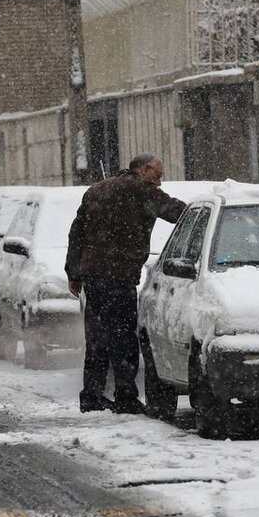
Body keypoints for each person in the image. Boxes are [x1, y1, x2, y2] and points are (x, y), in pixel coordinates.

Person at [65, 153, 187, 414]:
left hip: (94, 278)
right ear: (143, 169)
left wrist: (73, 273)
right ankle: (125, 397)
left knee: (96, 339)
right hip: (119, 277)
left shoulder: (95, 190)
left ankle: (92, 396)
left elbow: (76, 233)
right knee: (123, 339)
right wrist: (200, 214)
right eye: (158, 174)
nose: (160, 182)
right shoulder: (142, 190)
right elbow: (176, 212)